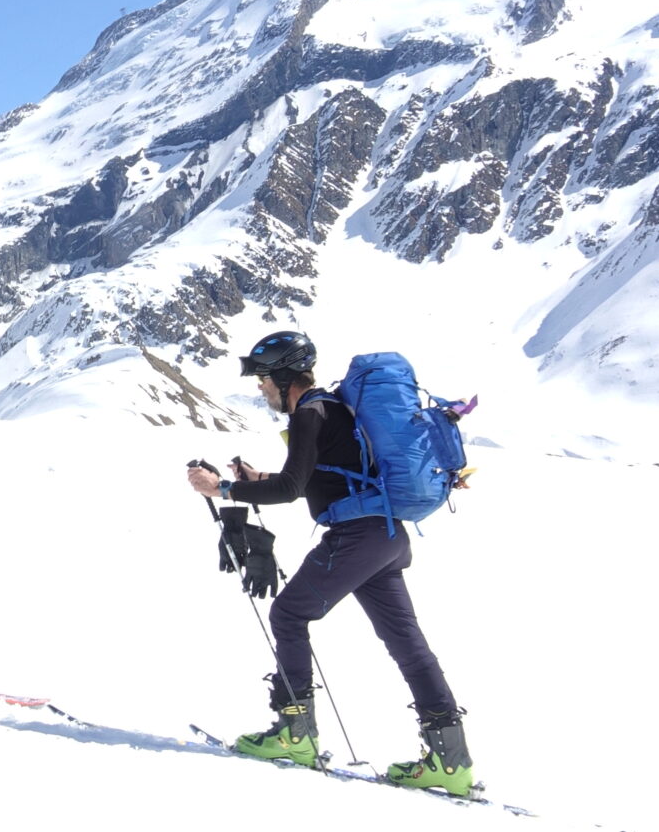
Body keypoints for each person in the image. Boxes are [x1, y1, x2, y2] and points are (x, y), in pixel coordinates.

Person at [186, 329, 473, 795]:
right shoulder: (336, 407)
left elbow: (291, 489)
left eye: (263, 379)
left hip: (357, 538)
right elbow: (320, 476)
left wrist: (222, 489)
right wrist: (254, 478)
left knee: (288, 613)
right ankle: (451, 759)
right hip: (386, 536)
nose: (261, 388)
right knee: (407, 642)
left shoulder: (309, 414)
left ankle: (295, 733)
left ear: (283, 376)